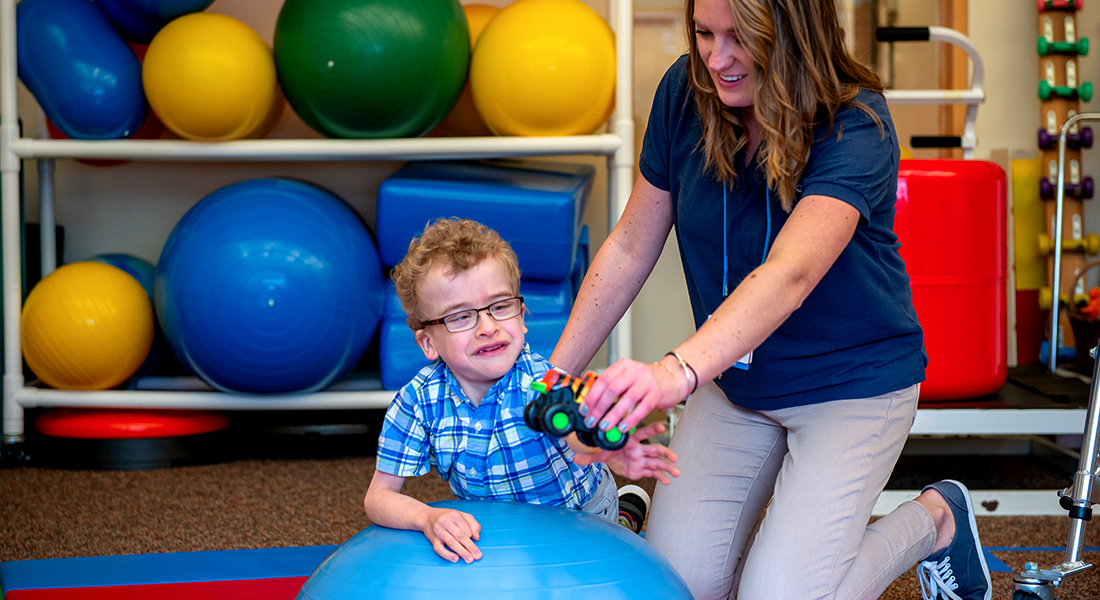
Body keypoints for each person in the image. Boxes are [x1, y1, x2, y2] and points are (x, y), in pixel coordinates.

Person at [548, 0, 992, 599]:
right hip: (737, 386)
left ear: (792, 35)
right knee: (678, 590)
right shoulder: (684, 92)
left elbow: (789, 273)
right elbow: (630, 246)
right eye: (705, 33)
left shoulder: (855, 121)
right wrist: (553, 377)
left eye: (740, 38)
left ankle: (939, 519)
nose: (716, 57)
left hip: (851, 386)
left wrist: (672, 374)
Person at [363, 218, 679, 565]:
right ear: (428, 342)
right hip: (497, 529)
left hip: (581, 516)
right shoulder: (418, 401)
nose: (487, 327)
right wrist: (426, 517)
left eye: (500, 307)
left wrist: (603, 435)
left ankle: (624, 518)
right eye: (460, 317)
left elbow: (576, 433)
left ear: (523, 317)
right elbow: (378, 497)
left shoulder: (543, 382)